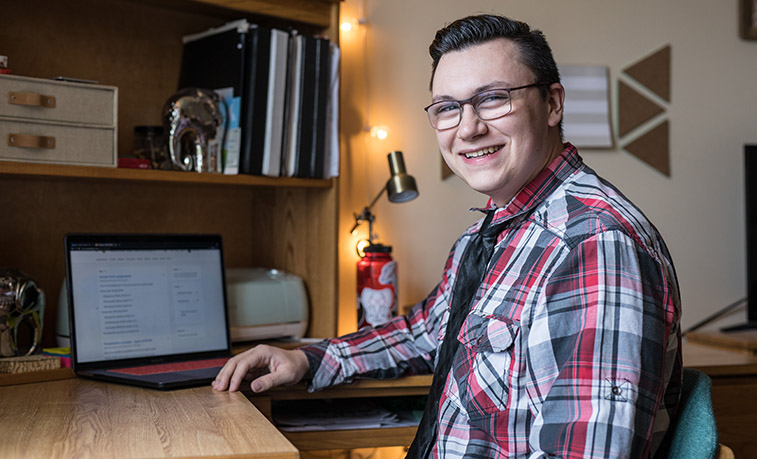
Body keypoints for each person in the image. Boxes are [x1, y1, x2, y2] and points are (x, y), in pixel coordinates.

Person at [213, 14, 682, 458]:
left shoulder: (594, 244)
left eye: (494, 98)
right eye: (448, 108)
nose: (469, 128)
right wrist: (309, 360)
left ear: (553, 103)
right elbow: (426, 333)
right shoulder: (488, 236)